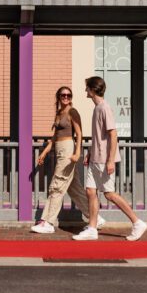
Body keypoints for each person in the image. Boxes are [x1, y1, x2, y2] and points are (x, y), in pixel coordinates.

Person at [72, 76, 147, 242]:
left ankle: (137, 222)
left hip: (104, 159)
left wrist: (111, 160)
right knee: (90, 191)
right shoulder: (97, 108)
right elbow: (99, 137)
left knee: (109, 194)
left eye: (87, 88)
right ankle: (92, 228)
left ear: (92, 89)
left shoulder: (105, 108)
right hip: (95, 158)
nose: (85, 91)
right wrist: (91, 152)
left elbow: (113, 134)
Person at [30, 86, 104, 233]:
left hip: (68, 150)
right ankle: (95, 217)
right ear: (58, 97)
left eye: (69, 95)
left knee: (57, 185)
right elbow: (54, 137)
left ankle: (48, 222)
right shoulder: (59, 113)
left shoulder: (72, 112)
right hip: (59, 149)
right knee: (74, 188)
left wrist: (77, 153)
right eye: (63, 95)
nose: (66, 97)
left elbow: (79, 133)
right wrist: (44, 152)